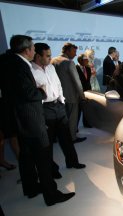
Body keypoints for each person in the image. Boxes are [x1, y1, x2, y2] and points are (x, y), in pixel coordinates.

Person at [7, 35, 75, 206]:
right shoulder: (22, 66)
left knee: (27, 155)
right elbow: (28, 93)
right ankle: (51, 195)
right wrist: (42, 93)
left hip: (23, 119)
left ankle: (31, 188)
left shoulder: (8, 62)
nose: (33, 51)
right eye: (32, 48)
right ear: (28, 50)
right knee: (43, 157)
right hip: (32, 118)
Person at [31, 43, 86, 178]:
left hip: (59, 106)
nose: (50, 58)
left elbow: (58, 84)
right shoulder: (30, 70)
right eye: (47, 55)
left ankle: (72, 162)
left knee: (66, 138)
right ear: (38, 56)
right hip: (45, 108)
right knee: (47, 142)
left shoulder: (51, 66)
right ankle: (52, 170)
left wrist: (61, 100)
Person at [51, 43, 86, 143]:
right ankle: (72, 138)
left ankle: (60, 137)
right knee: (72, 118)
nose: (75, 54)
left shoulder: (52, 61)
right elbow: (77, 81)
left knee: (61, 118)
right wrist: (82, 96)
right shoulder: (69, 63)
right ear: (67, 51)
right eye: (74, 51)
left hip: (57, 96)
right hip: (70, 96)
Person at [0, 50, 20, 171]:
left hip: (6, 106)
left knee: (10, 136)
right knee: (12, 136)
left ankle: (2, 161)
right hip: (4, 108)